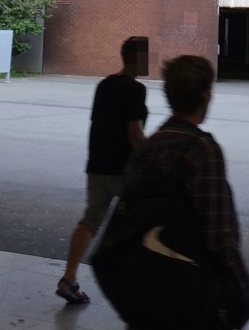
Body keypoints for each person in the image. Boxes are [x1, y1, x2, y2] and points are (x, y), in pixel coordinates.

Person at [123, 54, 249, 329]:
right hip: (191, 291)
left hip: (147, 289)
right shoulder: (201, 150)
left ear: (169, 94)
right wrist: (242, 294)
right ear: (205, 96)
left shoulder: (146, 150)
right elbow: (219, 234)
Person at [56, 36, 149, 305]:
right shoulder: (135, 89)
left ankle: (69, 278)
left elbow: (98, 125)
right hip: (124, 170)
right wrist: (151, 154)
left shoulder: (104, 85)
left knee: (90, 221)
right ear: (139, 58)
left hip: (97, 166)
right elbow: (134, 133)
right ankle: (135, 282)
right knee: (141, 222)